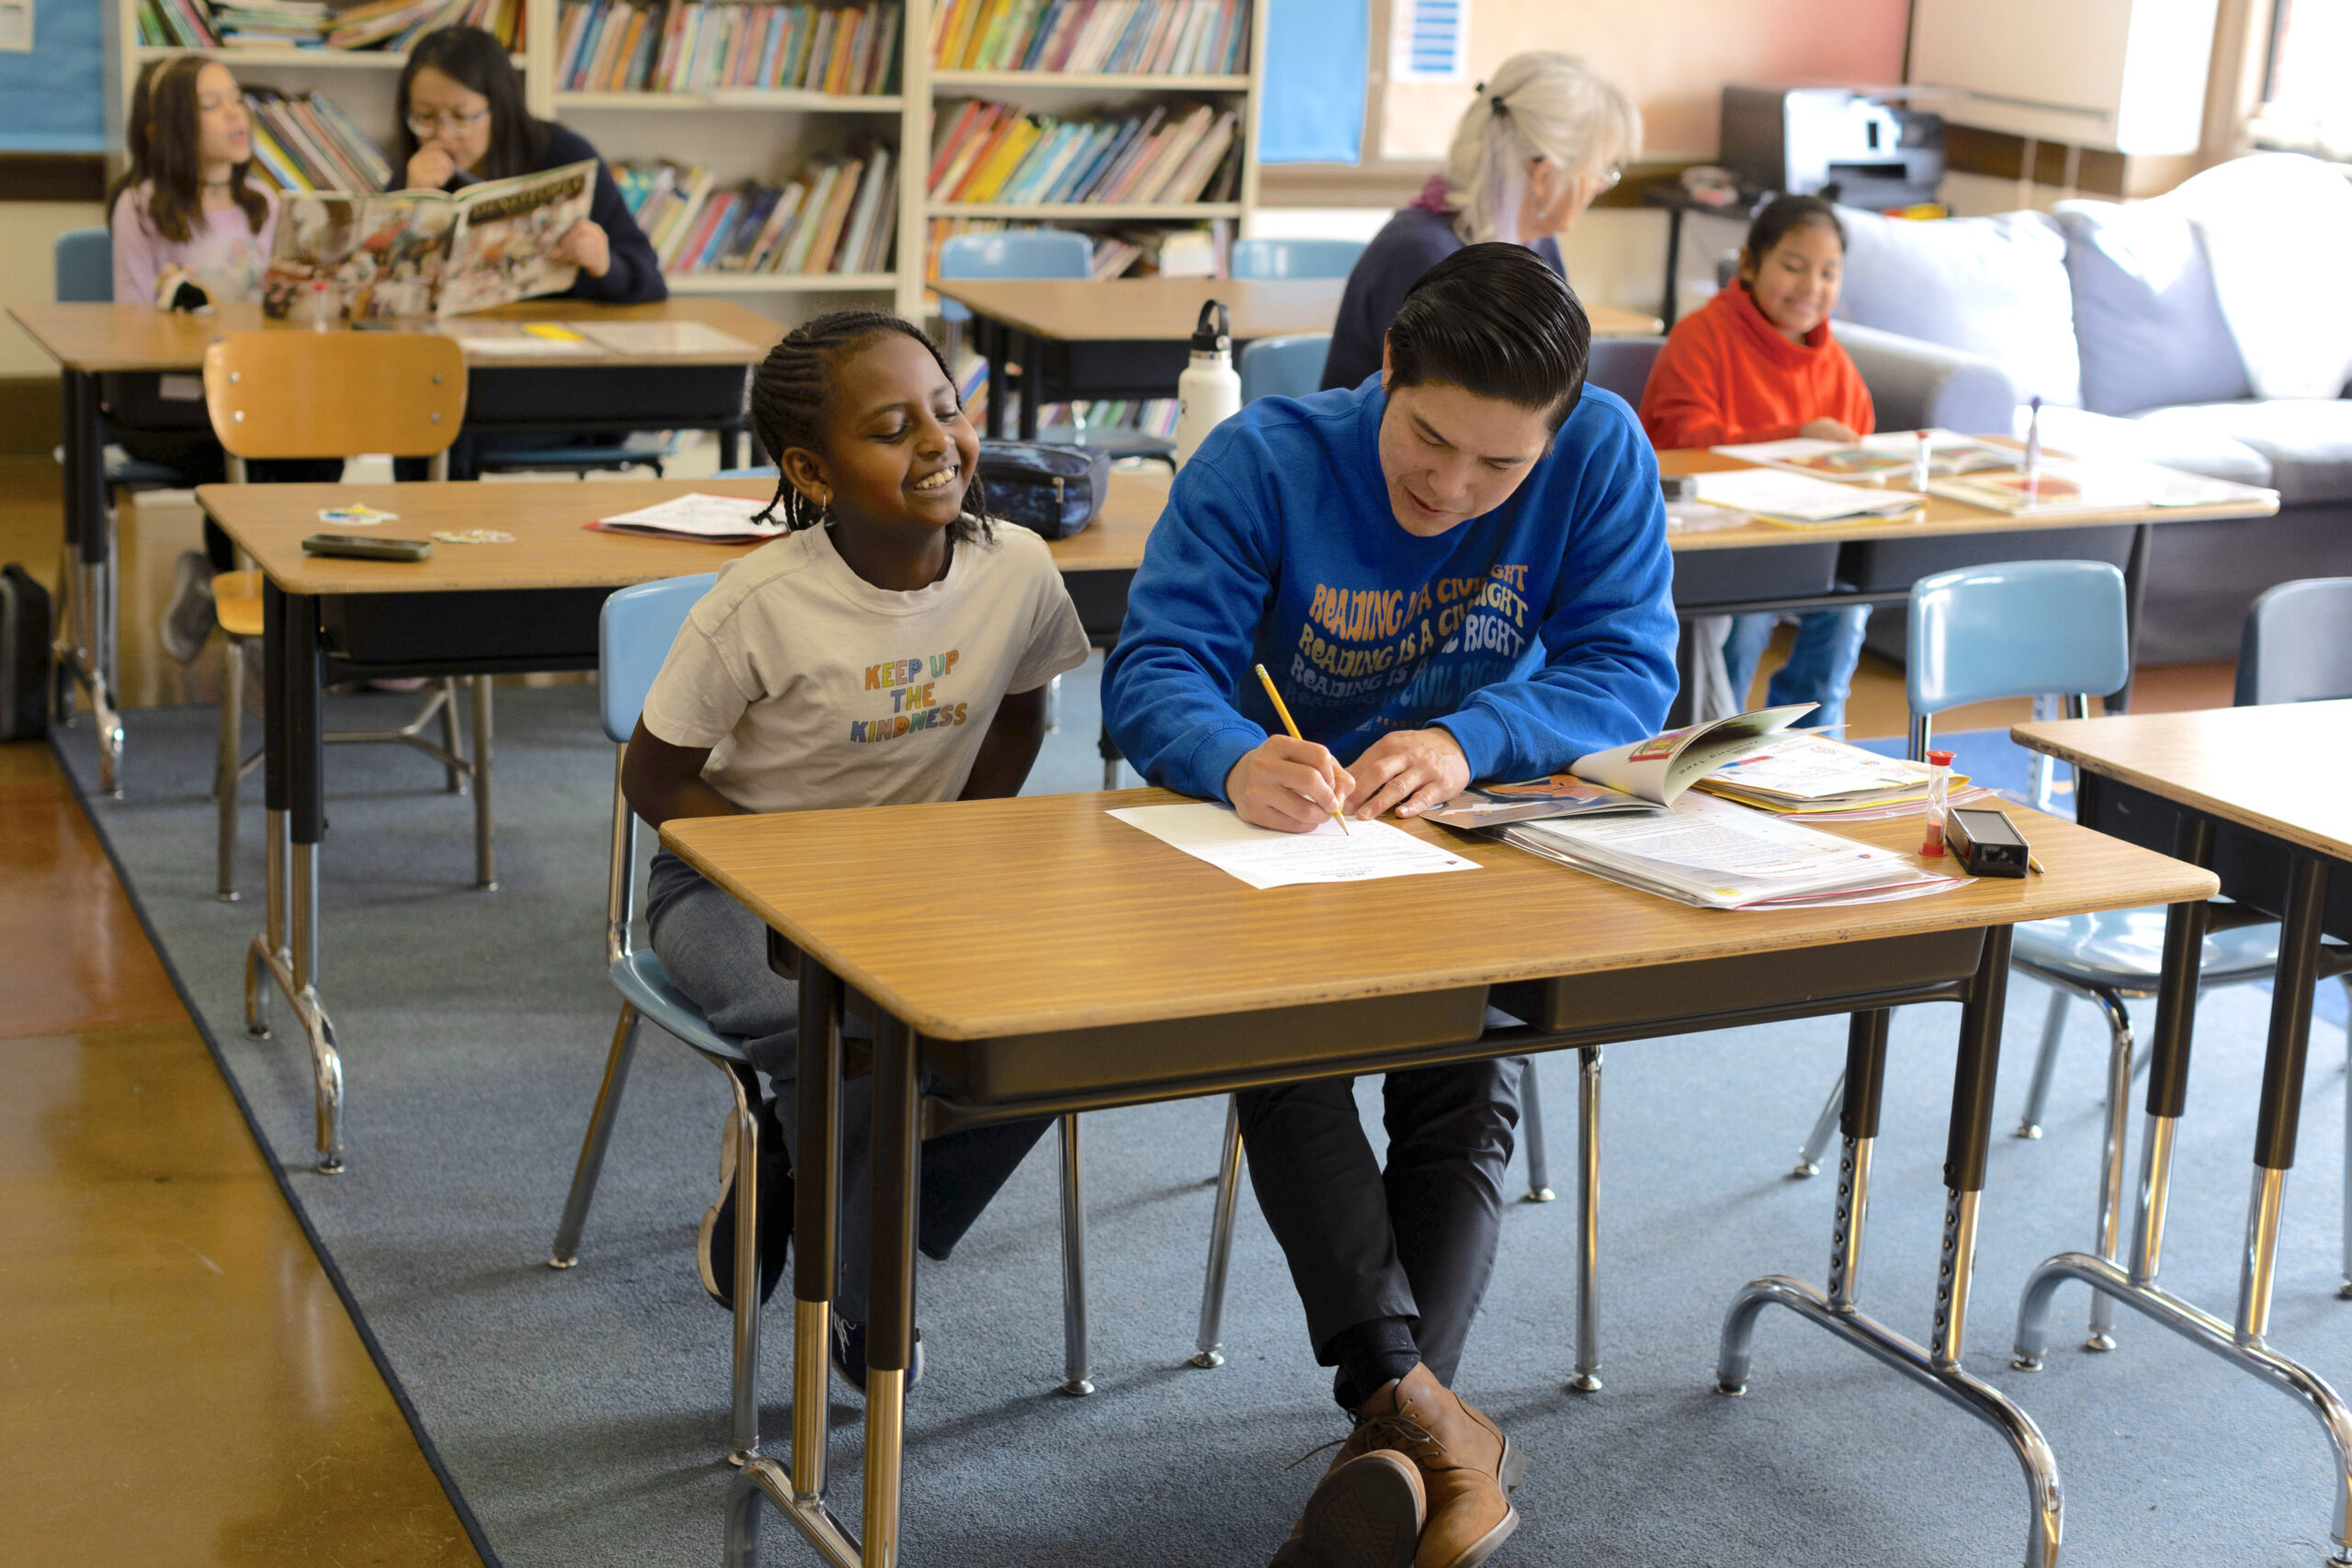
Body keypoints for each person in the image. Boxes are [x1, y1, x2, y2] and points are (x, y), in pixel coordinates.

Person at [1102, 244, 1677, 1568]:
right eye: (1428, 438)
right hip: (1269, 844)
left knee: (1466, 1073)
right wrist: (1229, 751)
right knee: (1285, 1050)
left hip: (1464, 839)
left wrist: (1475, 736)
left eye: (1500, 467)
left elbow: (1629, 667)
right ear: (1382, 376)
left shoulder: (1600, 450)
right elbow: (1154, 670)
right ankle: (1431, 1427)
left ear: (1558, 434)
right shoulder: (1261, 460)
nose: (1452, 485)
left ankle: (1400, 1441)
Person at [621, 311, 1092, 1390]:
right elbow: (652, 777)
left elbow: (1023, 713)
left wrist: (956, 841)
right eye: (891, 428)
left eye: (946, 409)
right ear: (810, 470)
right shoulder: (761, 602)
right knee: (841, 1035)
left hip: (913, 874)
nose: (937, 442)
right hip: (726, 883)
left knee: (1060, 1014)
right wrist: (791, 879)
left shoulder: (1015, 567)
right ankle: (870, 1303)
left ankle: (795, 1164)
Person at [108, 56, 341, 662]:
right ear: (162, 131)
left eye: (236, 99)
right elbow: (127, 326)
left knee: (319, 446)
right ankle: (234, 586)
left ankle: (268, 602)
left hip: (257, 391)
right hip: (172, 402)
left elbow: (280, 310)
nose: (236, 114)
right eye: (211, 106)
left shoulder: (264, 204)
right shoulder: (141, 207)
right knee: (238, 450)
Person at [1639, 195, 1875, 730]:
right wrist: (1794, 438)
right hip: (1714, 540)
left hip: (1804, 537)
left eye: (1828, 272)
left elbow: (1857, 454)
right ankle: (1719, 741)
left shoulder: (1837, 364)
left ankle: (1814, 737)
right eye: (1793, 266)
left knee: (1847, 604)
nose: (1811, 286)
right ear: (1749, 263)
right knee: (1743, 619)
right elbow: (1682, 442)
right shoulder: (1702, 337)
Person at [1320, 52, 1639, 393]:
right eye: (1601, 171)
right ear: (1543, 175)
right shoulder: (1424, 255)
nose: (1602, 186)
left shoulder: (1539, 244)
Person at [391, 25, 662, 304]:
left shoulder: (563, 154)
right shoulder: (416, 168)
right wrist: (410, 202)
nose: (442, 135)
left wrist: (604, 264)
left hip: (550, 333)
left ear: (499, 108)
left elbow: (652, 281)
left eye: (460, 117)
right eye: (424, 116)